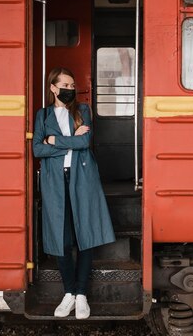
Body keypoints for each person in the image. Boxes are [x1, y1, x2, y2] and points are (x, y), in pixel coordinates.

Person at [32, 67, 115, 319]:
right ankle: (68, 293)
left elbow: (83, 144)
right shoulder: (43, 114)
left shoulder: (83, 111)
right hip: (55, 180)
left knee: (85, 236)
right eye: (64, 85)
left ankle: (81, 295)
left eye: (72, 85)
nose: (70, 89)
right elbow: (37, 149)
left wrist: (54, 141)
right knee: (62, 238)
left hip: (82, 178)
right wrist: (63, 141)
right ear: (53, 88)